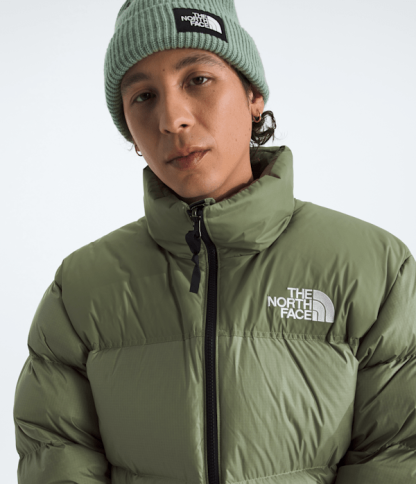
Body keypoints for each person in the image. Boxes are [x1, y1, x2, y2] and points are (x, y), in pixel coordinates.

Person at [13, 0, 416, 483]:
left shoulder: (373, 268)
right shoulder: (81, 288)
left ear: (253, 97)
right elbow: (58, 456)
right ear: (131, 133)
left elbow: (397, 453)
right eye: (143, 96)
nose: (172, 119)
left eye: (198, 79)